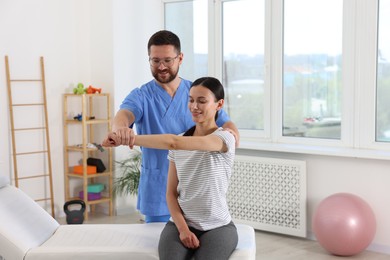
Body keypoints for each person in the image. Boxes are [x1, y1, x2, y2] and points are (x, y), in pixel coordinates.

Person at [103, 30, 239, 223]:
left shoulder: (196, 93)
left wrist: (232, 133)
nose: (161, 66)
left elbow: (225, 121)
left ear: (180, 58)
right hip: (158, 188)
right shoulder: (142, 95)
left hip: (196, 189)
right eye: (155, 60)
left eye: (167, 60)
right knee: (160, 249)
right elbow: (123, 115)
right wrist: (122, 130)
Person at [103, 77, 238, 260]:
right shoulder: (181, 139)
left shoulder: (224, 139)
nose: (194, 106)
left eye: (202, 101)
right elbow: (171, 194)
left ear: (219, 104)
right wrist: (183, 229)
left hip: (218, 226)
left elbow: (174, 143)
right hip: (179, 224)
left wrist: (129, 139)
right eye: (190, 100)